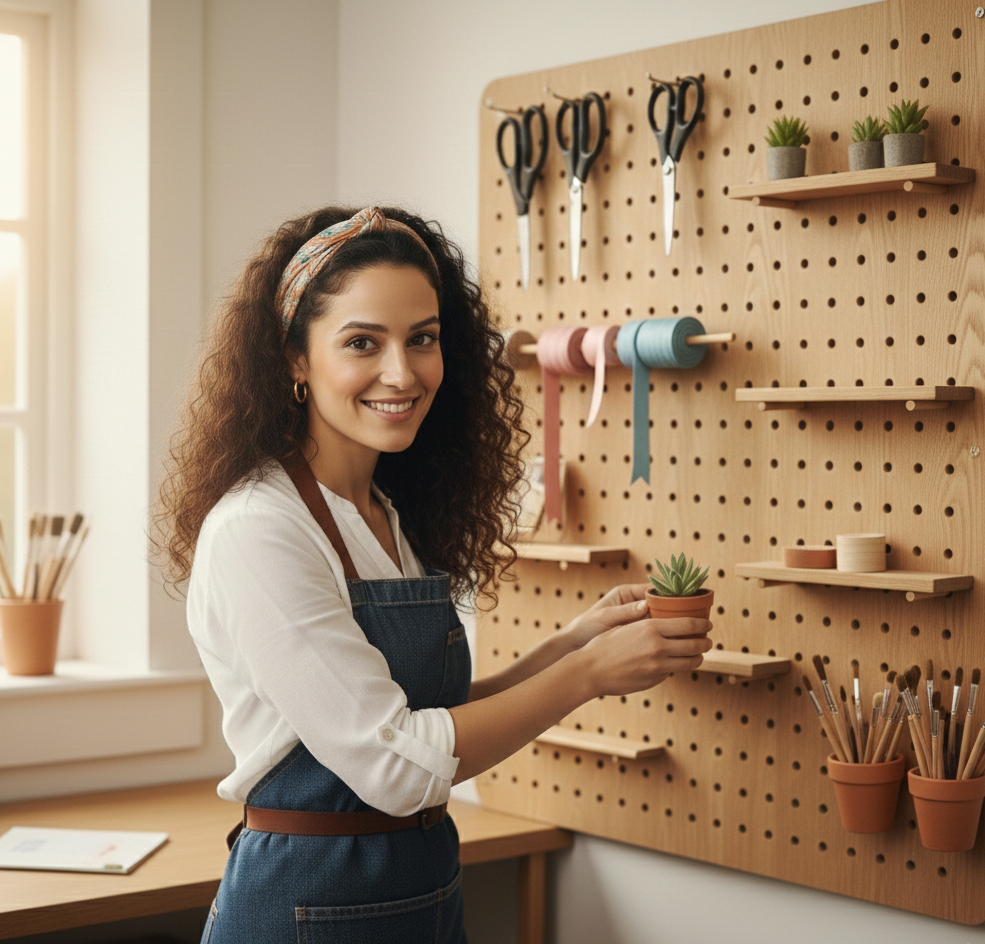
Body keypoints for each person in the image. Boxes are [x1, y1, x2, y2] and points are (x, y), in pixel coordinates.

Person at [156, 205, 713, 943]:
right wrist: (586, 677)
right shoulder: (261, 530)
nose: (402, 371)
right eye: (362, 342)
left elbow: (417, 715)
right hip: (303, 908)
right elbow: (395, 766)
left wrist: (572, 646)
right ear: (295, 359)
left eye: (422, 339)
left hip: (419, 893)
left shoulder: (383, 514)